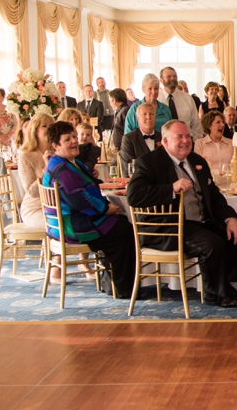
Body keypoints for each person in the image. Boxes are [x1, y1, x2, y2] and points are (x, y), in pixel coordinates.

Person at [125, 120, 237, 307]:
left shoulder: (197, 161)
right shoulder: (149, 162)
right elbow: (133, 196)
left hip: (198, 222)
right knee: (212, 243)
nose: (185, 141)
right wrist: (170, 188)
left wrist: (230, 218)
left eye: (188, 136)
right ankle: (217, 293)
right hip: (167, 226)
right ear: (165, 141)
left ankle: (221, 286)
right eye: (179, 137)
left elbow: (213, 195)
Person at [42, 121, 136, 299]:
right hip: (72, 225)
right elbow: (80, 200)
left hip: (69, 220)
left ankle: (114, 283)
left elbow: (85, 188)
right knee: (124, 230)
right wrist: (106, 209)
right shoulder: (62, 169)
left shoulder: (68, 162)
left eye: (74, 137)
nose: (74, 141)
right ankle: (122, 288)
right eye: (67, 139)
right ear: (55, 145)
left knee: (122, 223)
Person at [17, 112, 55, 230]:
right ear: (34, 130)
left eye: (51, 126)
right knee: (61, 222)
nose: (49, 129)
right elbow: (32, 192)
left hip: (58, 205)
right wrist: (46, 169)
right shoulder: (26, 156)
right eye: (44, 126)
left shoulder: (59, 151)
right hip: (35, 208)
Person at [158, 67, 203, 139]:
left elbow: (196, 124)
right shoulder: (157, 99)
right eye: (169, 76)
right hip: (164, 143)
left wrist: (196, 143)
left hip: (186, 141)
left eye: (174, 76)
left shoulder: (187, 98)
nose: (172, 78)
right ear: (161, 80)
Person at [120, 102, 159, 176]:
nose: (148, 117)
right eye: (144, 114)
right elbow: (128, 168)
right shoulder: (129, 139)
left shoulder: (163, 137)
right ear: (138, 118)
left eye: (151, 114)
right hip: (139, 182)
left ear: (155, 117)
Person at [109, 89, 130, 156]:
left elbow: (127, 130)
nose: (110, 104)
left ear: (114, 100)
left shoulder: (124, 111)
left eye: (110, 101)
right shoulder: (121, 110)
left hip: (123, 148)